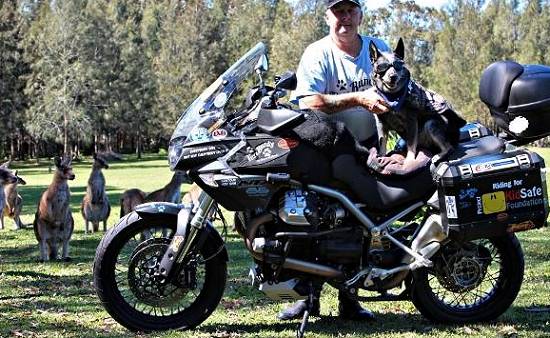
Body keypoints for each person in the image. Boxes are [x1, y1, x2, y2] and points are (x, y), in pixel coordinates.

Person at [278, 0, 390, 322]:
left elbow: (395, 88)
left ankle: (350, 299)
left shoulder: (377, 48)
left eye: (350, 11)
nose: (345, 18)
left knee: (361, 223)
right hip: (325, 148)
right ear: (328, 16)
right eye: (338, 11)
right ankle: (305, 297)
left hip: (369, 148)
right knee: (315, 219)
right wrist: (358, 98)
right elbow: (308, 101)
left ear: (360, 15)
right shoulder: (317, 53)